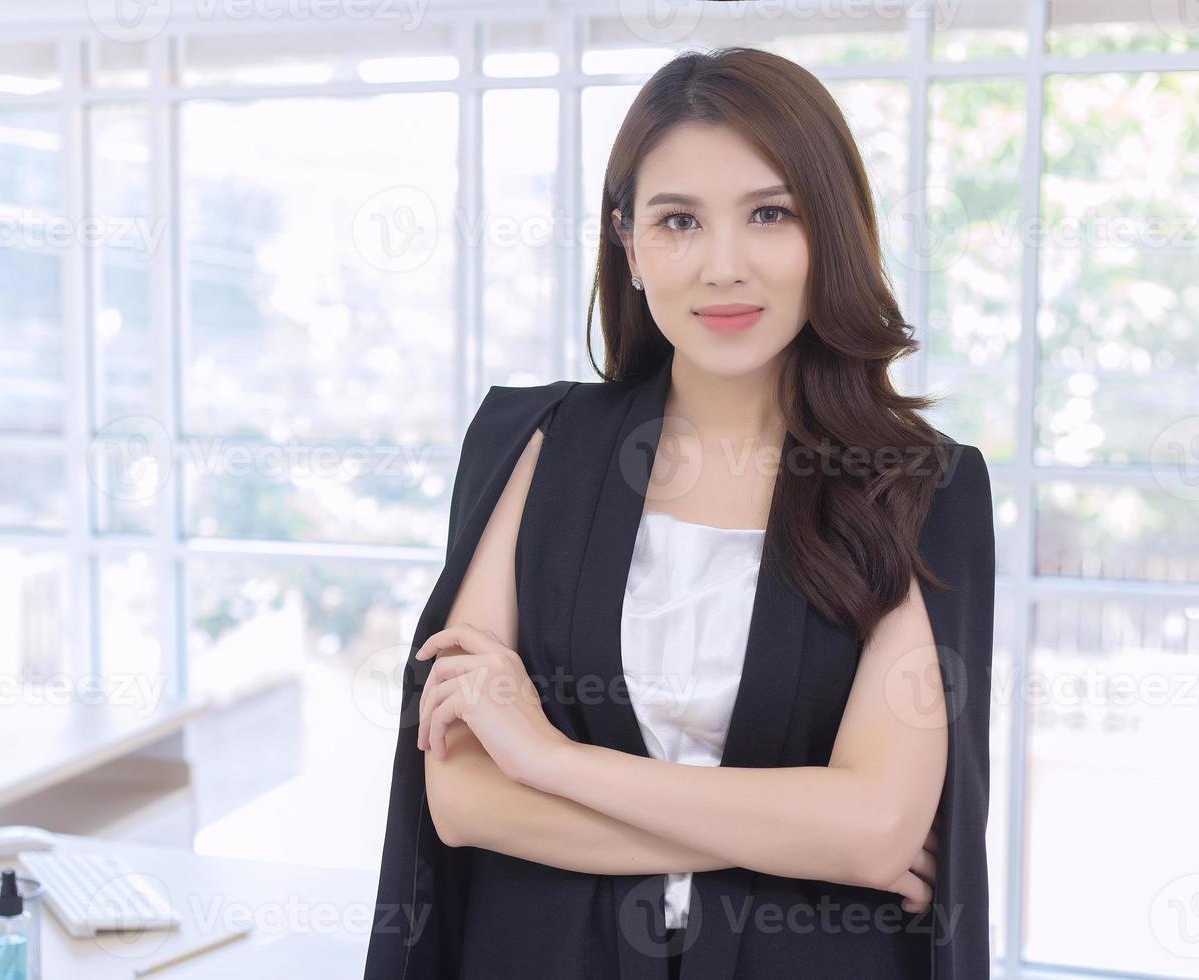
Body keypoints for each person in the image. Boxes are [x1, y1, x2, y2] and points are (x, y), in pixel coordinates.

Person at [366, 46, 994, 979]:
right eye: (678, 222)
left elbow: (870, 831)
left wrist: (548, 759)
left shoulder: (916, 485)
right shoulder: (535, 444)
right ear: (629, 243)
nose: (723, 266)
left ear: (833, 230)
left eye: (771, 214)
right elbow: (460, 800)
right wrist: (797, 837)